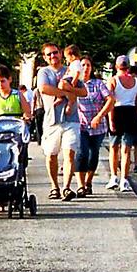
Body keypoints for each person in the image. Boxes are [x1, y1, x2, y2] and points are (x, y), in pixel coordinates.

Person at [33, 43, 82, 200]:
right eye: (49, 54)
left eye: (55, 53)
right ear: (45, 57)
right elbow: (44, 88)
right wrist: (66, 94)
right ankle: (55, 186)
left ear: (61, 54)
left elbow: (83, 91)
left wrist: (70, 92)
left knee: (69, 153)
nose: (53, 56)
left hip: (71, 119)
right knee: (51, 155)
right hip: (52, 120)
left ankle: (66, 187)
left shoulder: (70, 70)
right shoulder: (44, 72)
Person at [67, 47, 108, 197]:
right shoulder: (74, 83)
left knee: (93, 155)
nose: (85, 68)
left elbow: (110, 100)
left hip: (98, 126)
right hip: (80, 125)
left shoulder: (98, 84)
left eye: (88, 65)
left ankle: (89, 181)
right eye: (82, 65)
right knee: (81, 154)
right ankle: (80, 185)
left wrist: (99, 116)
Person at [106, 55, 137, 191]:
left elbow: (110, 102)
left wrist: (111, 120)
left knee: (114, 147)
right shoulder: (136, 82)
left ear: (116, 66)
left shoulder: (113, 80)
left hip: (117, 112)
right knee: (126, 149)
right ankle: (124, 178)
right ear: (128, 67)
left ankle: (113, 177)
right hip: (131, 113)